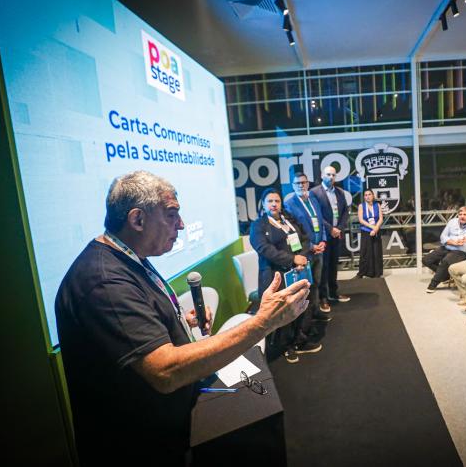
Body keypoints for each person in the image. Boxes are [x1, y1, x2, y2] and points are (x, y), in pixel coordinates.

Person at [55, 171, 311, 465]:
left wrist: (177, 321)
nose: (181, 224)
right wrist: (263, 322)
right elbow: (165, 371)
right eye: (171, 214)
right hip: (136, 448)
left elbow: (134, 328)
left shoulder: (128, 258)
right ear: (137, 220)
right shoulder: (104, 282)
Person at [250, 188, 320, 363]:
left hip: (298, 271)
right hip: (275, 276)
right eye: (270, 201)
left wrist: (301, 257)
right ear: (263, 204)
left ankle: (299, 340)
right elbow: (264, 249)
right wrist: (292, 259)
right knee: (283, 312)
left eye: (277, 201)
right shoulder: (258, 225)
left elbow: (305, 239)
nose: (274, 204)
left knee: (301, 305)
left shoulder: (289, 219)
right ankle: (285, 346)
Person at [284, 172, 331, 325]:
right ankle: (305, 320)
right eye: (297, 183)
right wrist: (311, 246)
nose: (301, 185)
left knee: (316, 283)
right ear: (293, 186)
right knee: (305, 287)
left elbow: (320, 222)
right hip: (304, 253)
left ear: (308, 184)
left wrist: (323, 241)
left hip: (319, 250)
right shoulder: (289, 204)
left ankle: (315, 310)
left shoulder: (313, 200)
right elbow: (293, 232)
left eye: (303, 182)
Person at [310, 165, 351, 309]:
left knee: (333, 265)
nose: (331, 177)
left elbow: (345, 212)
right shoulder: (314, 192)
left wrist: (338, 229)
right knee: (323, 267)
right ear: (322, 175)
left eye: (333, 175)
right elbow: (317, 214)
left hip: (336, 235)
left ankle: (333, 293)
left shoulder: (340, 192)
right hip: (323, 236)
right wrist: (330, 229)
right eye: (328, 174)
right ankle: (323, 297)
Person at [422, 206, 466, 293]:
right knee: (426, 260)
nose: (462, 216)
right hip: (448, 247)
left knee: (445, 261)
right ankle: (445, 276)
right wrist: (454, 242)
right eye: (460, 214)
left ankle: (433, 284)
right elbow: (443, 237)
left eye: (465, 214)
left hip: (461, 251)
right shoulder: (452, 222)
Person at [356, 188, 384, 278]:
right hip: (366, 231)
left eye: (369, 194)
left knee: (376, 252)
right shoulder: (361, 206)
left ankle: (377, 273)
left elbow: (381, 219)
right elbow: (361, 220)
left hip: (376, 231)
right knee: (365, 253)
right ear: (364, 197)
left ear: (373, 196)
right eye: (366, 195)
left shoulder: (377, 205)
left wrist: (375, 229)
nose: (367, 196)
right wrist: (372, 227)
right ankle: (362, 273)